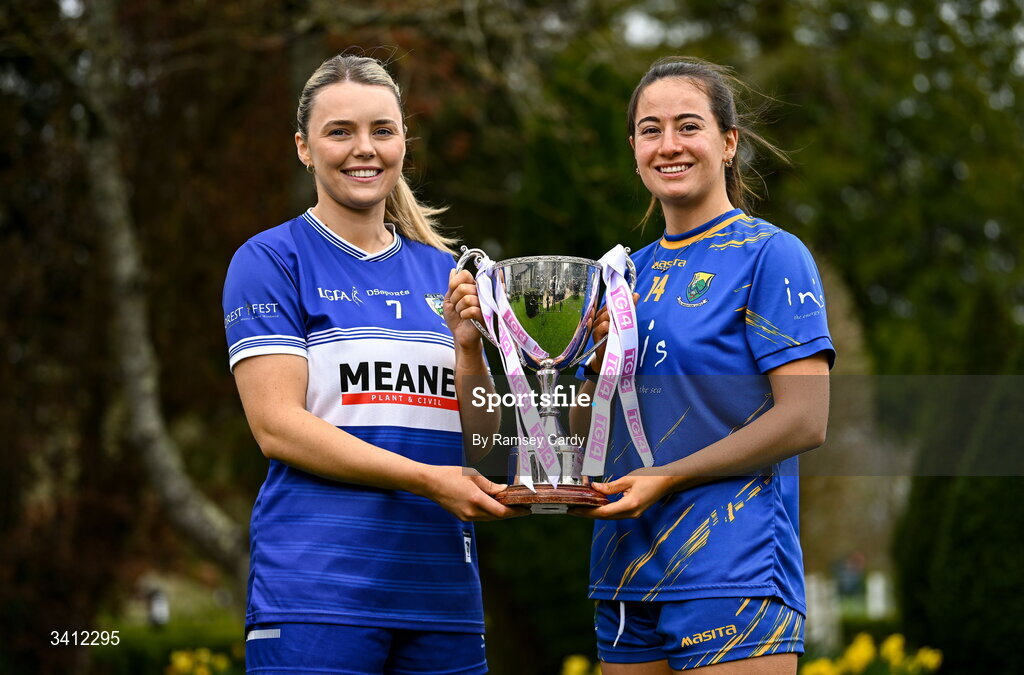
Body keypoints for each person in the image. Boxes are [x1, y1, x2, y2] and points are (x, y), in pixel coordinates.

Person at [222, 54, 518, 675]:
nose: (365, 149)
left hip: (443, 598)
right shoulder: (271, 260)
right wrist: (427, 479)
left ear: (404, 142)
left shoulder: (447, 271)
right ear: (304, 148)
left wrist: (469, 350)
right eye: (340, 132)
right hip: (317, 596)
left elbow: (494, 460)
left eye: (382, 130)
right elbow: (276, 426)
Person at [568, 57, 835, 674]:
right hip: (624, 572)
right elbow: (588, 443)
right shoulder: (618, 276)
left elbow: (805, 421)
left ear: (728, 142)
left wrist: (669, 477)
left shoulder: (771, 256)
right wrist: (590, 366)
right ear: (633, 147)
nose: (669, 145)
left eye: (688, 125)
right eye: (650, 129)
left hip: (730, 571)